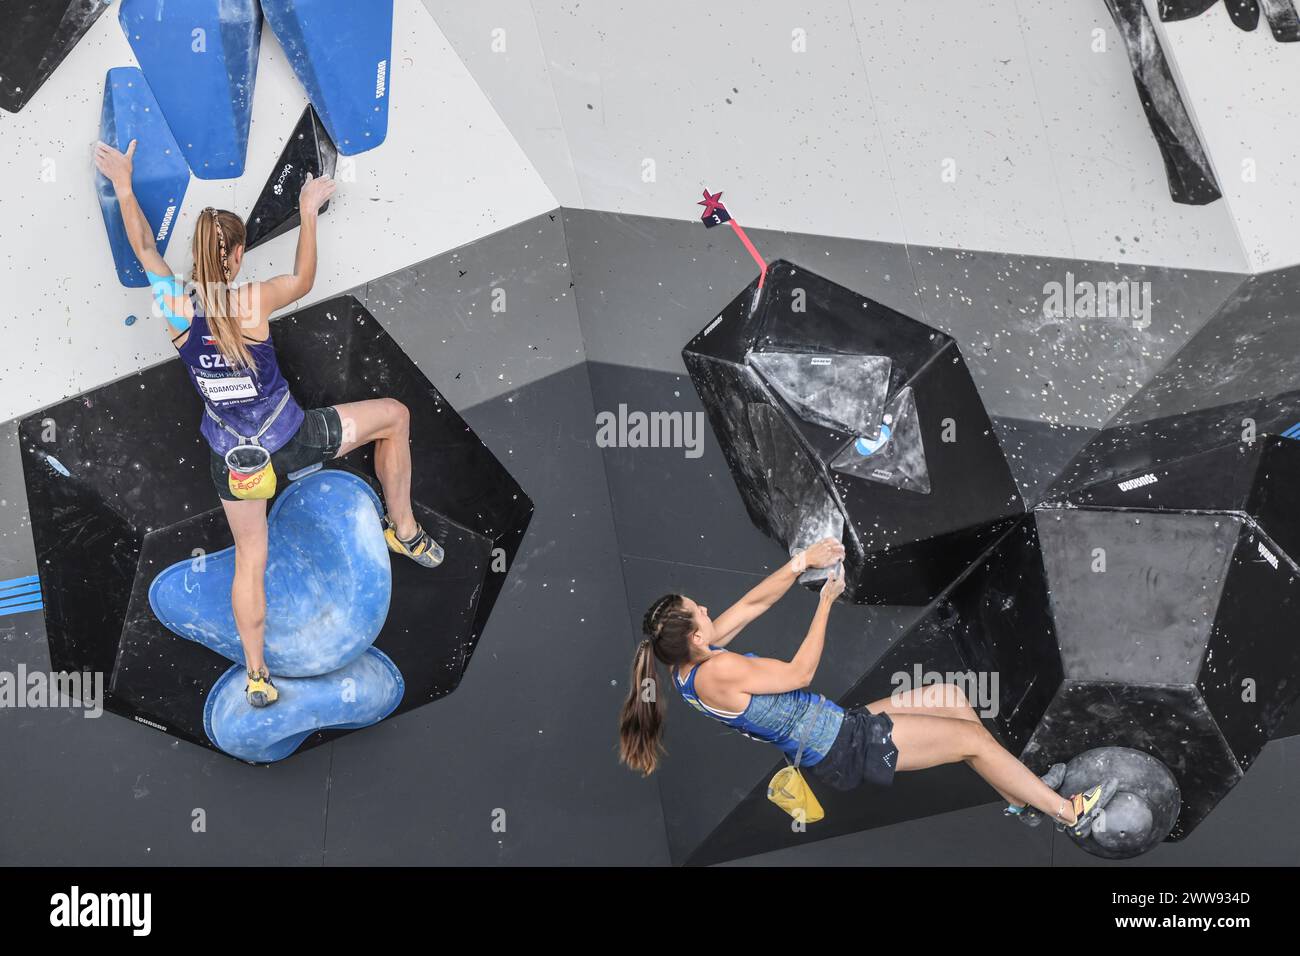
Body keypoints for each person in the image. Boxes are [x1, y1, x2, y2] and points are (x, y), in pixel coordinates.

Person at [94, 139, 445, 708]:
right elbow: (304, 278)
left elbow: (142, 249)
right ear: (233, 258)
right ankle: (402, 530)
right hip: (295, 441)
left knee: (250, 561)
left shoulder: (177, 307)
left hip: (234, 465)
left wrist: (125, 187)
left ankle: (258, 675)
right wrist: (308, 213)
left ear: (200, 255)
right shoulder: (253, 301)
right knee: (395, 417)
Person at [618, 537, 1117, 834]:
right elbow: (799, 675)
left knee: (950, 700)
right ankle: (1068, 811)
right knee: (971, 741)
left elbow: (751, 606)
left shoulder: (685, 665)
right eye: (699, 610)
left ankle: (1021, 797)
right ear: (698, 637)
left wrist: (798, 564)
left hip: (837, 729)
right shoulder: (715, 673)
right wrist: (825, 601)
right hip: (843, 747)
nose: (707, 608)